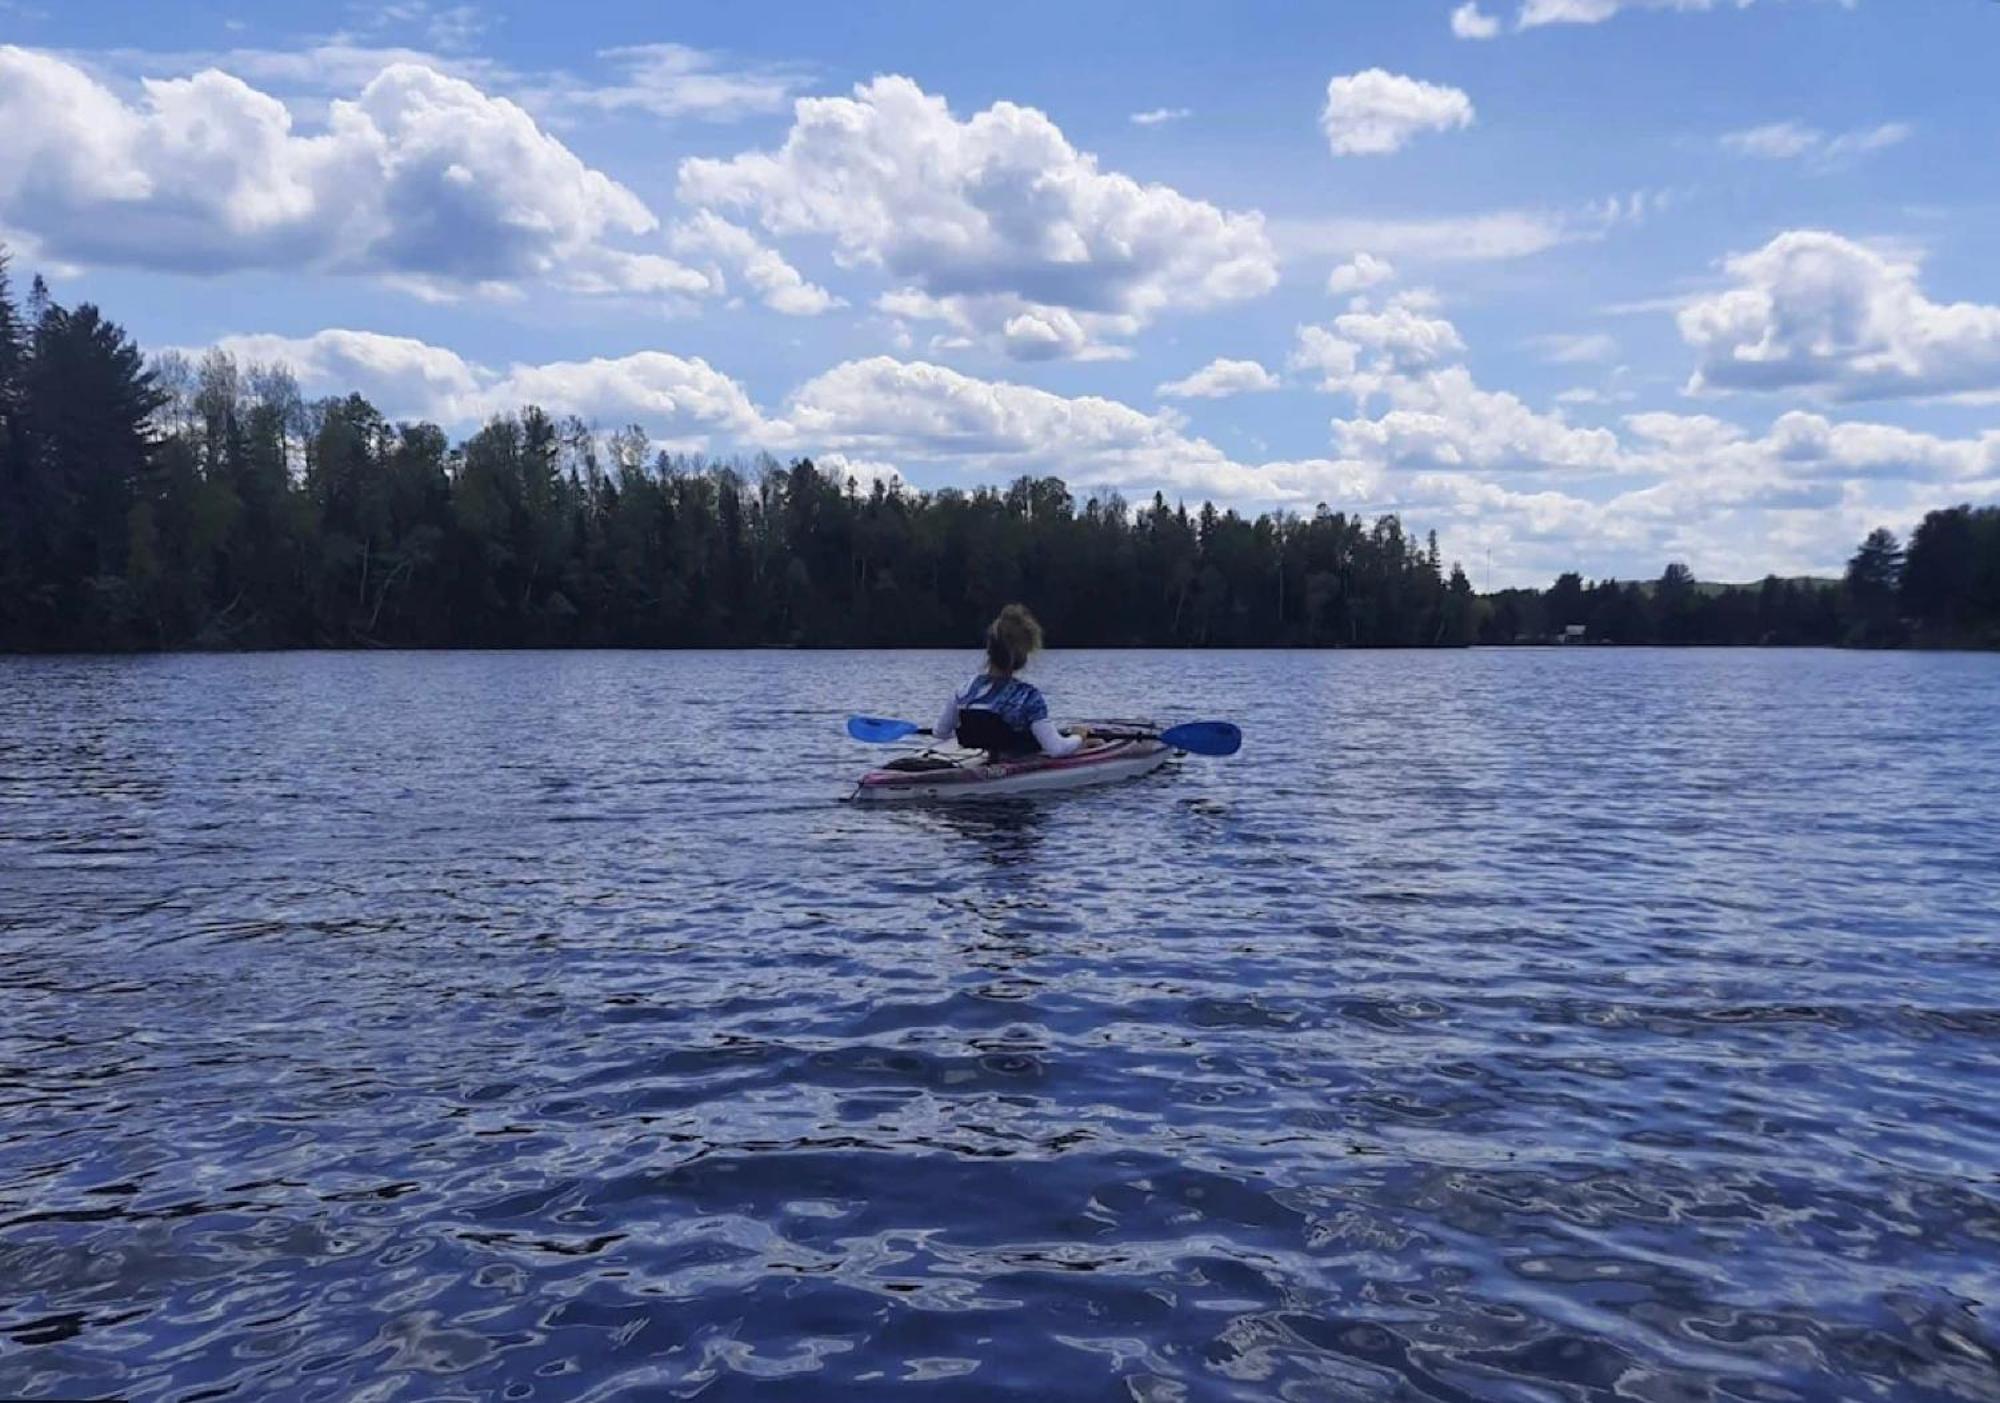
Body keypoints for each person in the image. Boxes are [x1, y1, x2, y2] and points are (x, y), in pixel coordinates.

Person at [935, 605, 1090, 759]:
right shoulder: (1028, 697)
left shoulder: (965, 690)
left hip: (983, 758)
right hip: (1014, 764)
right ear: (1023, 656)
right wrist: (1079, 736)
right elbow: (1057, 749)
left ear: (990, 650)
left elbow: (940, 732)